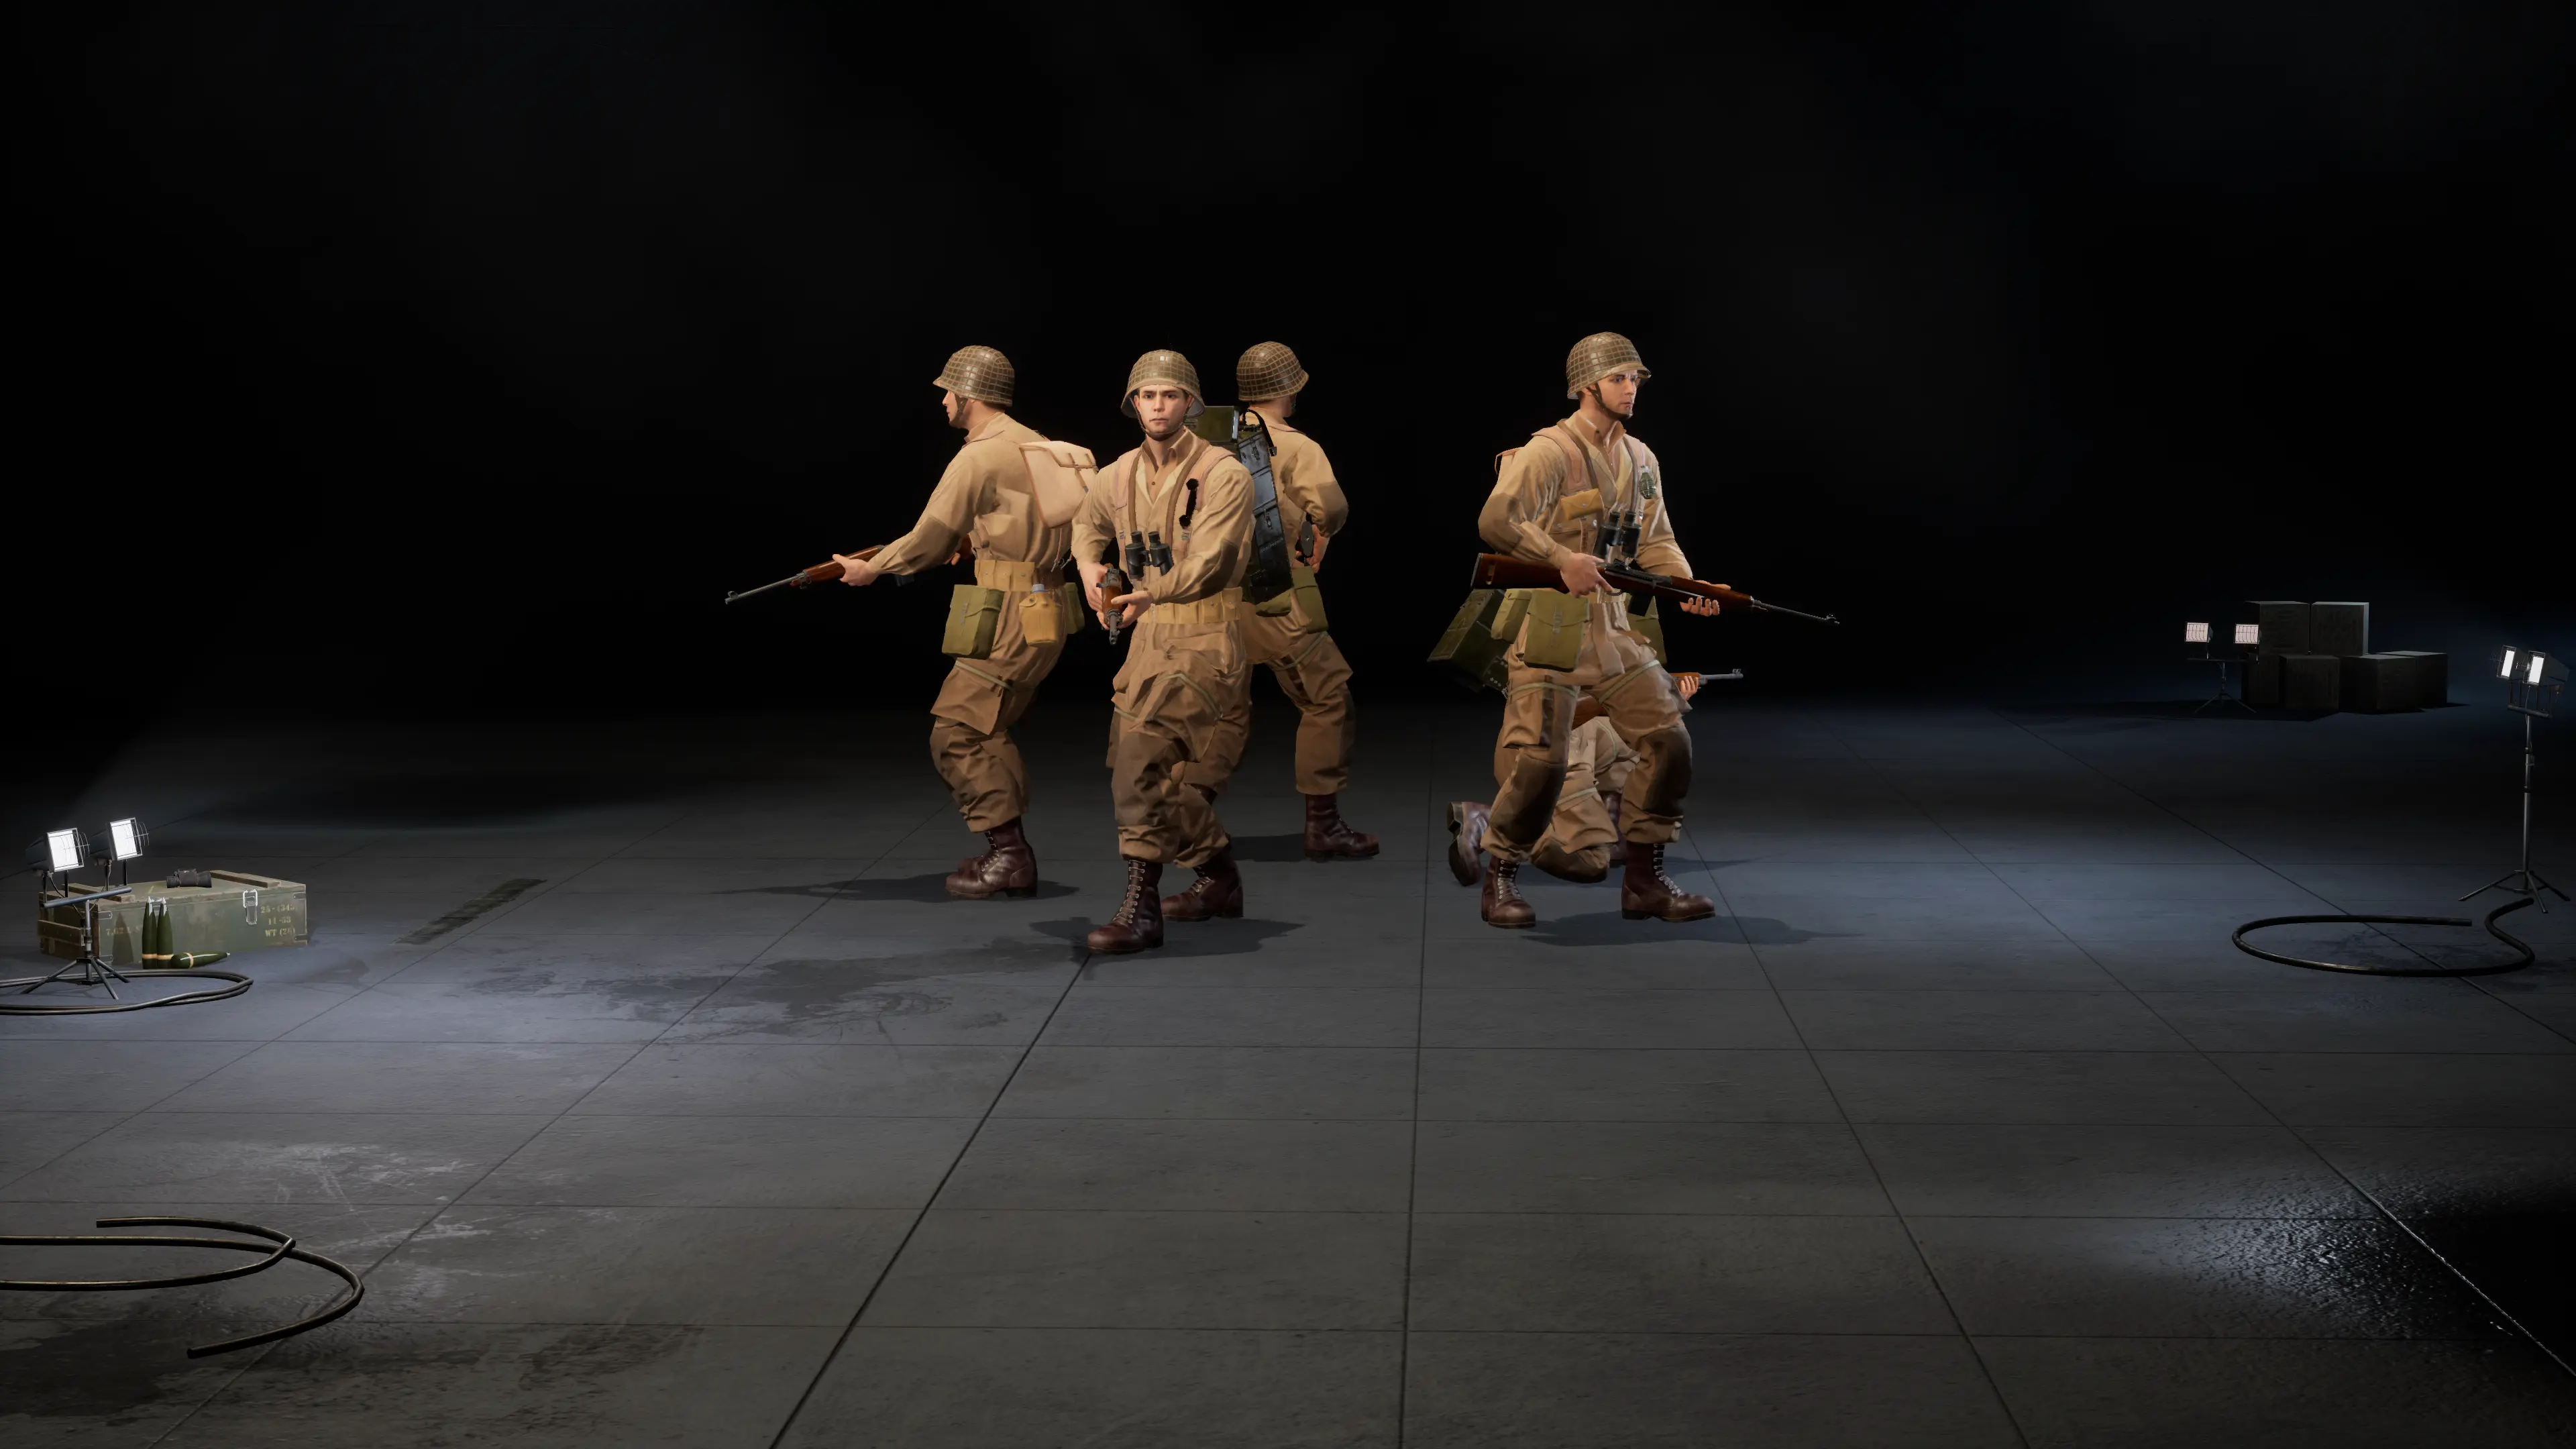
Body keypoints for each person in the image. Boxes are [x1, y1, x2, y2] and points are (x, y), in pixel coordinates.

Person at [1451, 331, 1719, 928]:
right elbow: (1497, 519)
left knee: (1669, 741)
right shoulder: (1548, 451)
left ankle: (1645, 881)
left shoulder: (1641, 459)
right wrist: (1558, 558)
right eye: (1619, 378)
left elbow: (1657, 539)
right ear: (1586, 386)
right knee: (1541, 762)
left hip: (1614, 627)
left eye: (1635, 379)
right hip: (1552, 625)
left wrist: (1686, 587)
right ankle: (1500, 876)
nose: (1631, 388)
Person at [837, 345, 1070, 900]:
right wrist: (977, 542)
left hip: (1010, 608)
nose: (943, 401)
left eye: (949, 392)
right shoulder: (1037, 443)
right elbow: (1032, 521)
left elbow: (930, 536)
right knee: (984, 727)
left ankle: (1010, 856)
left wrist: (873, 567)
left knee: (958, 730)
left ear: (970, 396)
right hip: (1044, 604)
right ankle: (1009, 852)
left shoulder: (978, 456)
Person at [1072, 350, 1255, 953]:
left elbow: (1213, 560)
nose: (1158, 406)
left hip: (1204, 634)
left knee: (1140, 761)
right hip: (1146, 637)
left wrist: (1153, 592)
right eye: (1147, 395)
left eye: (1170, 395)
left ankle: (1141, 908)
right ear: (1134, 404)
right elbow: (1086, 525)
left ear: (1190, 404)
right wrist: (1089, 566)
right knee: (1148, 773)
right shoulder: (1118, 473)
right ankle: (1218, 875)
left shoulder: (1223, 473)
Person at [1193, 341, 1377, 859]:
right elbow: (1332, 507)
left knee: (1224, 712)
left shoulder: (1204, 441)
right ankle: (1324, 825)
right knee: (1327, 696)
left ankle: (1189, 818)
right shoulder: (1296, 446)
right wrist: (1321, 529)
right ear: (1290, 390)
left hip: (1208, 595)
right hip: (1272, 590)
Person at [1450, 672, 1703, 887]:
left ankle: (1611, 833)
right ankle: (1490, 823)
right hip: (1545, 753)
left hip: (1549, 742)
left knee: (1649, 745)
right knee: (1590, 861)